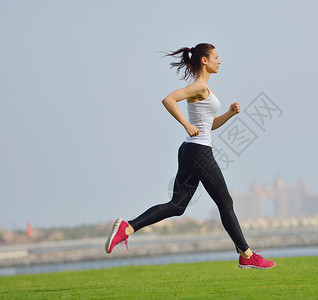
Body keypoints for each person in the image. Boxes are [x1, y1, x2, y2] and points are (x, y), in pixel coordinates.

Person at [105, 43, 275, 269]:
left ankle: (127, 228)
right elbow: (168, 100)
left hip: (191, 150)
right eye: (216, 57)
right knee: (226, 203)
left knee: (177, 205)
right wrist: (185, 124)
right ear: (204, 60)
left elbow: (208, 125)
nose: (219, 61)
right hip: (199, 152)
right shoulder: (198, 87)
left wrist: (230, 114)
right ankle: (246, 254)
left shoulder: (205, 89)